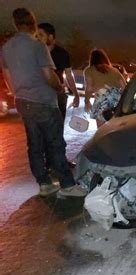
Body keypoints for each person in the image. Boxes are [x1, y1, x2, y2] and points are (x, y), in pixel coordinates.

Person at [1, 8, 86, 197]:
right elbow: (49, 75)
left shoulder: (6, 48)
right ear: (33, 23)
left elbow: (8, 77)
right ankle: (67, 185)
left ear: (16, 24)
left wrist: (20, 93)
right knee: (55, 143)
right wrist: (59, 87)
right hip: (44, 101)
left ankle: (44, 184)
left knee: (35, 144)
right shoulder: (37, 45)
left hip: (23, 102)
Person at [36, 22, 80, 124]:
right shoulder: (35, 52)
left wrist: (76, 94)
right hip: (39, 95)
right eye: (36, 36)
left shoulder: (62, 53)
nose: (37, 38)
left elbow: (69, 74)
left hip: (58, 95)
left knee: (58, 127)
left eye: (41, 35)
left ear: (50, 37)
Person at [84, 49, 126, 127]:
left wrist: (87, 101)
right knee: (114, 128)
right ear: (105, 58)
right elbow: (124, 87)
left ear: (92, 59)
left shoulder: (89, 71)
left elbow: (89, 88)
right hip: (117, 101)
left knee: (101, 130)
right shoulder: (115, 71)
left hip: (101, 100)